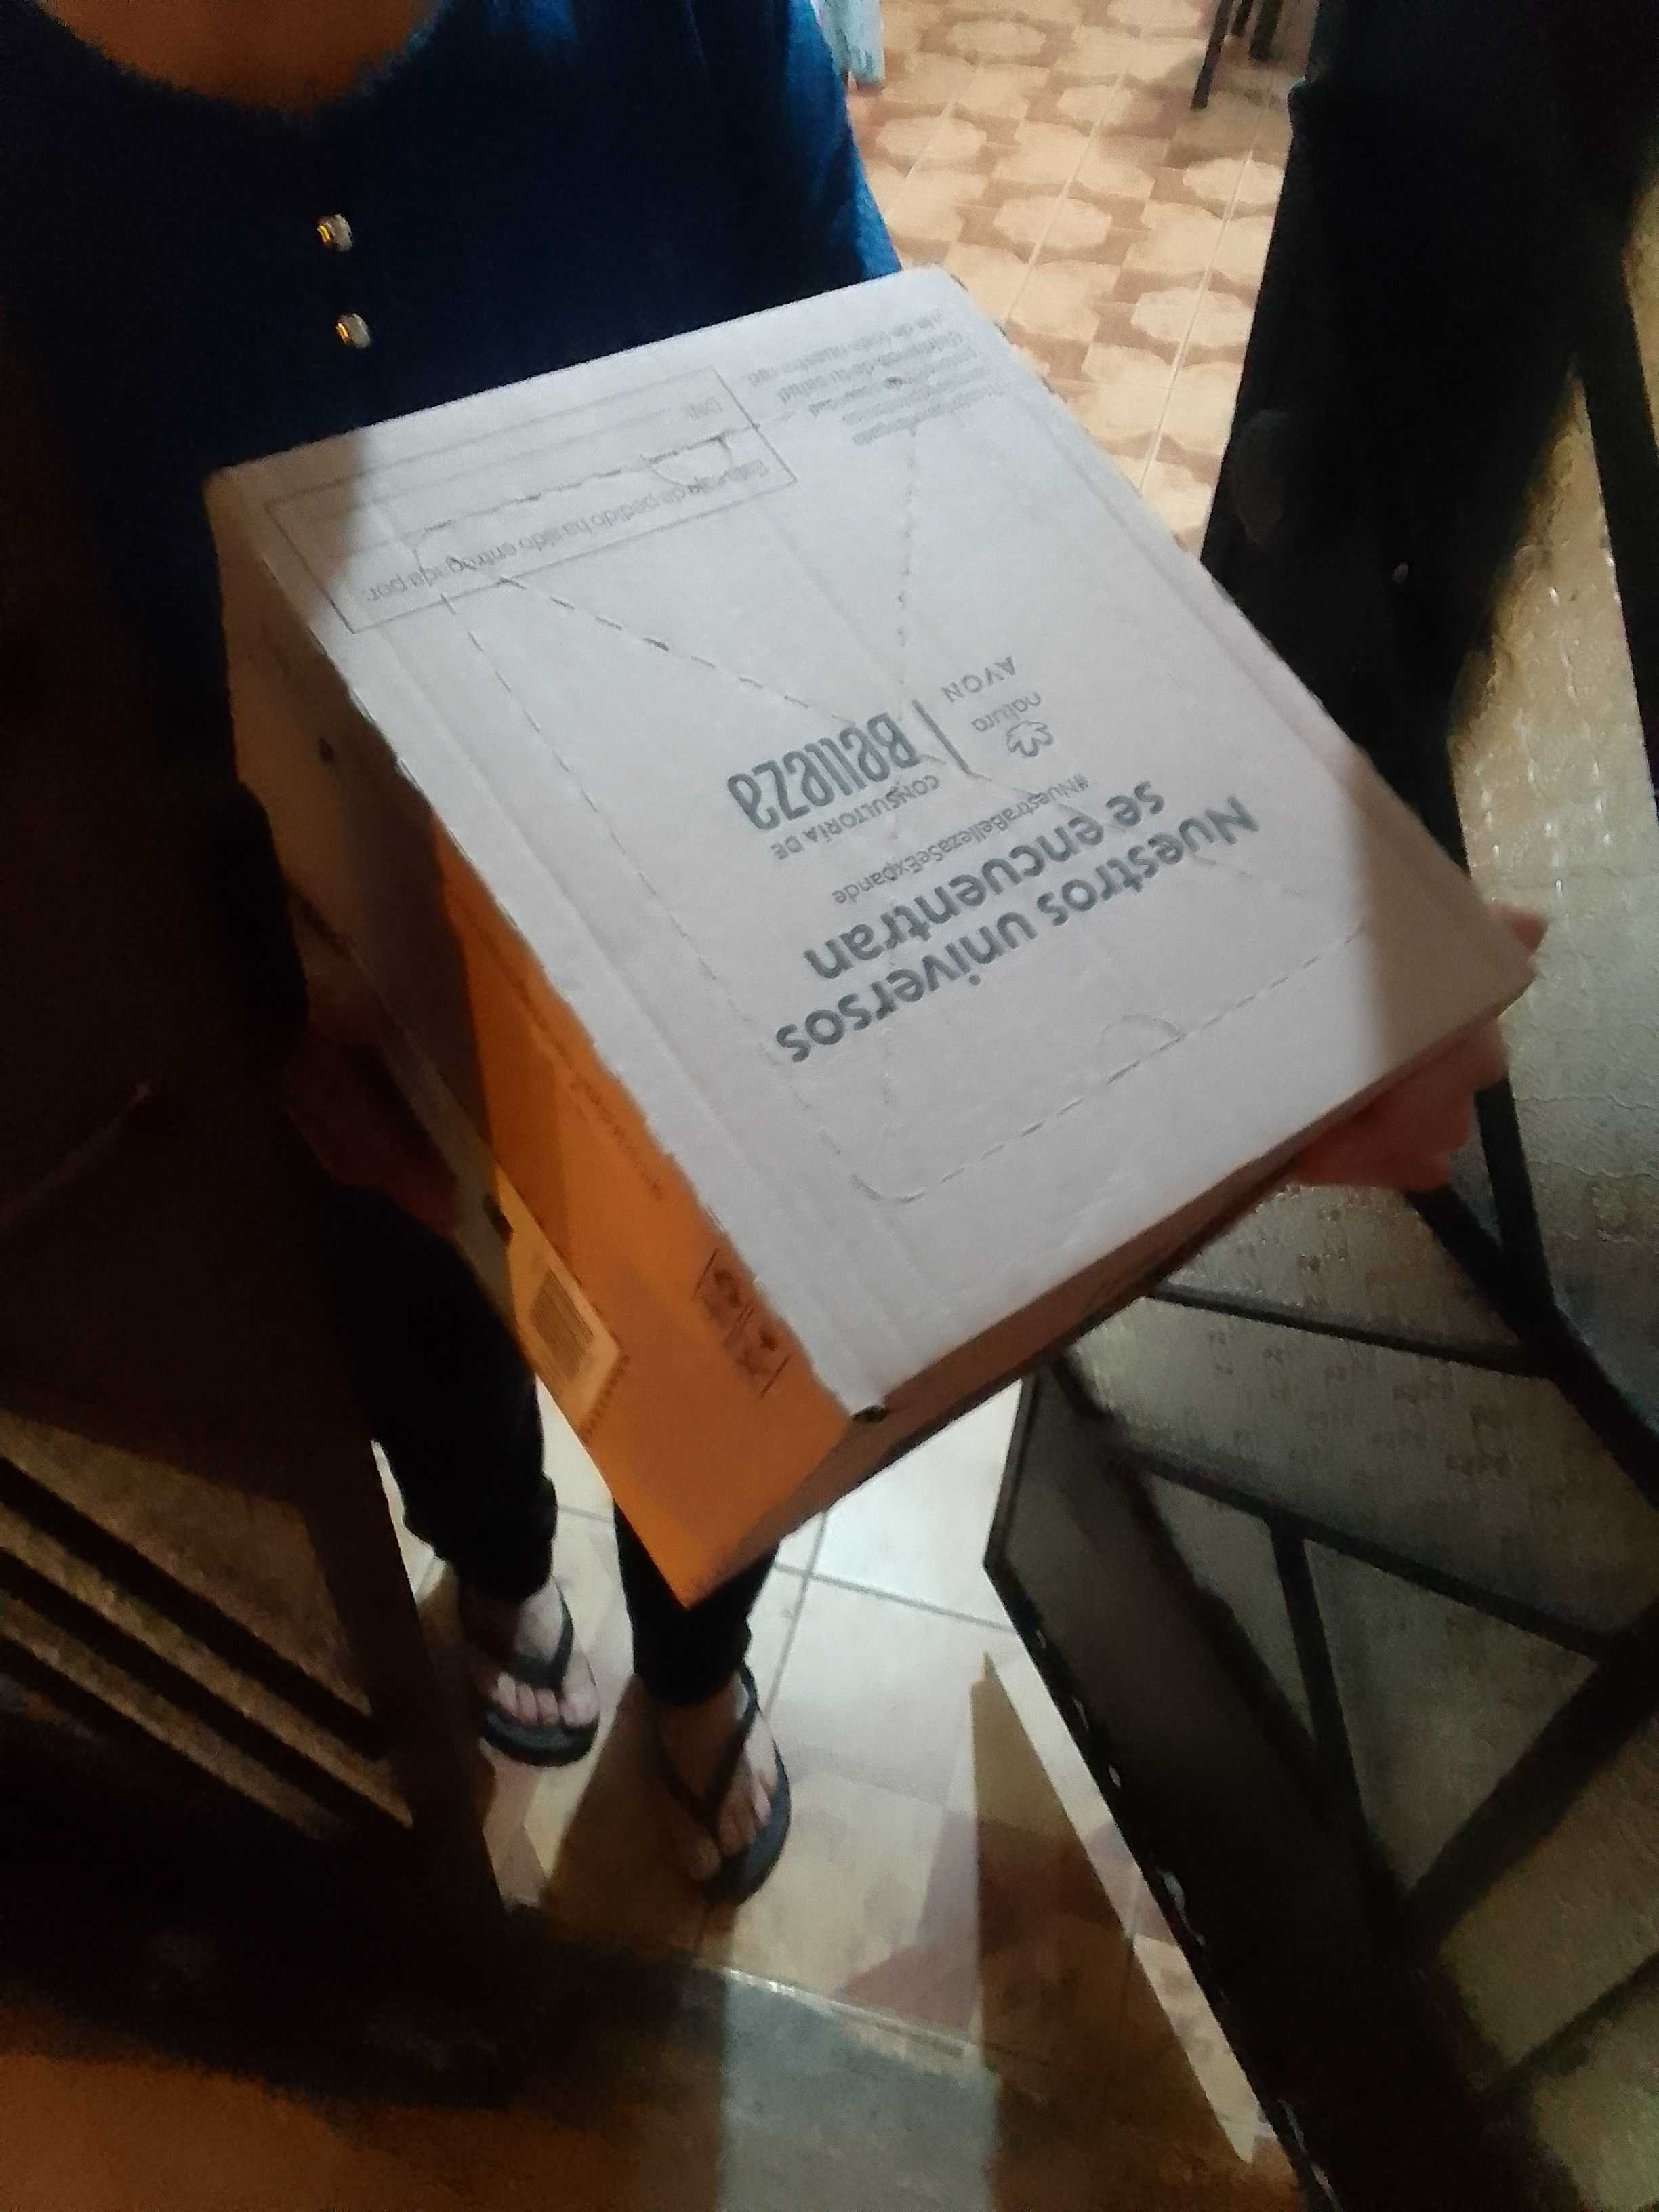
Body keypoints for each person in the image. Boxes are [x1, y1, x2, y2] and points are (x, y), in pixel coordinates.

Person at [0, 0, 1539, 1905]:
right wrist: (238, 961)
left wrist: (1236, 950)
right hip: (286, 989)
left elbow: (889, 461)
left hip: (706, 950)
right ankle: (497, 1563)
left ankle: (698, 1668)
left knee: (738, 1352)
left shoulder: (691, 23)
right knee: (409, 1300)